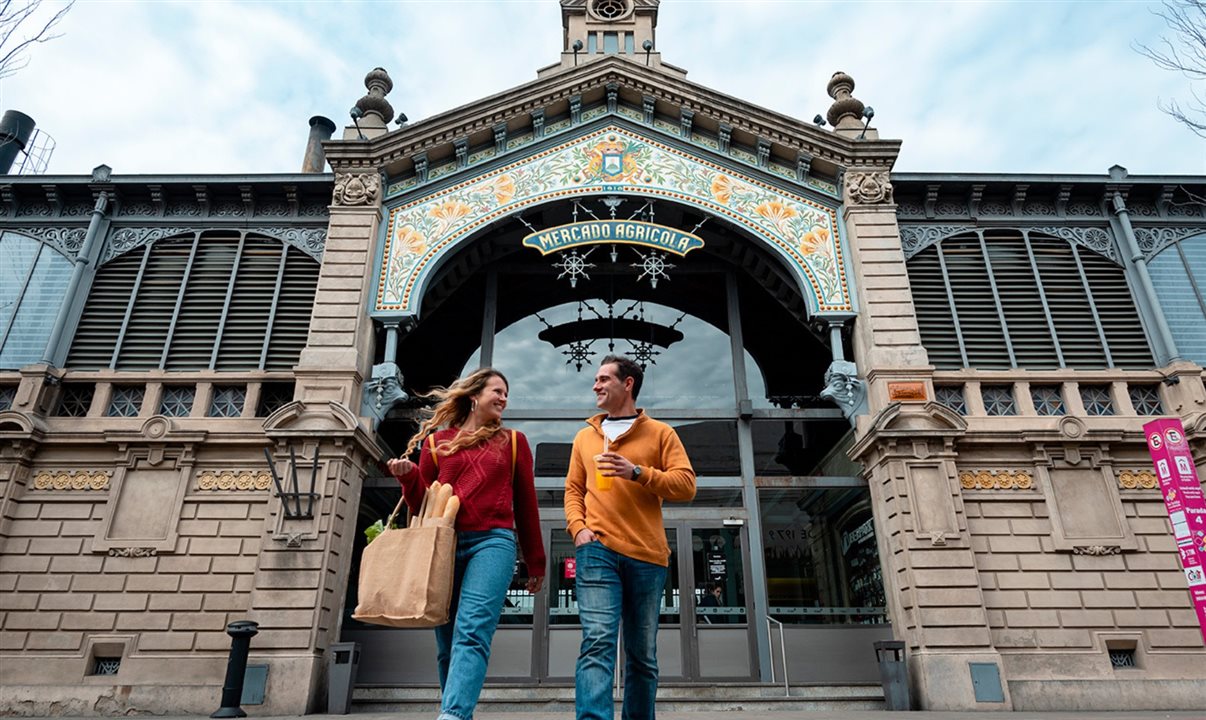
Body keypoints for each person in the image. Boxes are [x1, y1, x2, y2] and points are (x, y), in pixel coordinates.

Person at [388, 368, 545, 720]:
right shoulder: (435, 442)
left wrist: (536, 562)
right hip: (442, 544)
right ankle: (458, 712)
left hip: (493, 542)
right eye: (498, 391)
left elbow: (526, 504)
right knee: (446, 643)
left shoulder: (514, 442)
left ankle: (453, 715)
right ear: (474, 395)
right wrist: (409, 477)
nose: (504, 398)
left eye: (507, 393)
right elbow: (420, 504)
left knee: (472, 630)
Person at [564, 355, 696, 720]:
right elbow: (573, 490)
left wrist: (637, 472)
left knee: (642, 656)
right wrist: (579, 529)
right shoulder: (584, 437)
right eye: (595, 379)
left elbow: (686, 485)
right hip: (597, 551)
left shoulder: (661, 433)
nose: (595, 385)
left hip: (647, 556)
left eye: (604, 378)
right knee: (597, 643)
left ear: (628, 384)